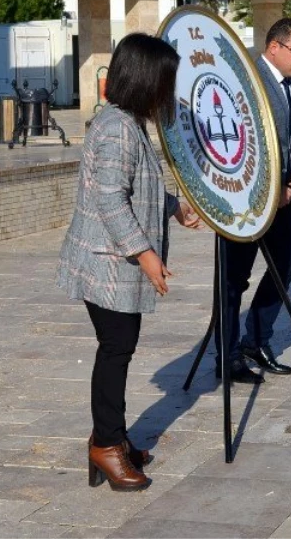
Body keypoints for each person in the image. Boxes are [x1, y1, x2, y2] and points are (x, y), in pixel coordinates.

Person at [56, 33, 201, 492]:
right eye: (165, 81)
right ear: (145, 80)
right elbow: (111, 201)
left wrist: (173, 206)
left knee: (119, 347)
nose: (169, 92)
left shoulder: (127, 121)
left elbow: (139, 187)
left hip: (113, 260)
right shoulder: (118, 127)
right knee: (116, 349)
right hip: (106, 262)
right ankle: (106, 447)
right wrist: (147, 256)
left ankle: (111, 438)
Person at [217, 18, 291, 385]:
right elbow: (246, 143)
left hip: (284, 201)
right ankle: (226, 358)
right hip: (247, 202)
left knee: (287, 263)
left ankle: (255, 341)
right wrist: (274, 191)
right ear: (274, 47)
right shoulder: (250, 81)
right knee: (234, 279)